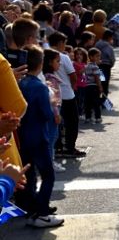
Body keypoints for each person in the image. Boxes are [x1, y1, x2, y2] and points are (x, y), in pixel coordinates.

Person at [14, 45, 63, 228]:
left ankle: (32, 208)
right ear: (41, 63)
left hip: (23, 136)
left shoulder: (21, 83)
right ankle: (41, 213)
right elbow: (46, 114)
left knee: (30, 176)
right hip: (38, 136)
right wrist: (53, 108)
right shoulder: (40, 87)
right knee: (48, 176)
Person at [48, 32, 84, 158]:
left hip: (51, 93)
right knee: (72, 121)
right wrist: (73, 87)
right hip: (67, 93)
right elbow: (73, 75)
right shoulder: (63, 57)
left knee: (55, 121)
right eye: (64, 43)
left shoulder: (44, 54)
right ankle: (70, 147)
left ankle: (57, 147)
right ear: (60, 43)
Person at [43, 48, 65, 173]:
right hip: (53, 110)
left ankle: (49, 161)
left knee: (52, 137)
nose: (59, 63)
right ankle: (49, 163)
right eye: (57, 61)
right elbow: (53, 98)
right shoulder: (50, 78)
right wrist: (56, 114)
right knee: (52, 137)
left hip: (53, 109)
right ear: (50, 62)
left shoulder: (49, 76)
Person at [84, 48, 104, 124]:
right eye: (97, 56)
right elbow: (97, 78)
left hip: (87, 86)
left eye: (99, 56)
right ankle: (98, 117)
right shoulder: (95, 67)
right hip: (94, 86)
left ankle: (88, 117)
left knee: (87, 103)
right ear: (91, 57)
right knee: (96, 102)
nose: (99, 58)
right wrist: (100, 87)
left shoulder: (86, 66)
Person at [95, 29, 116, 95]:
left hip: (98, 66)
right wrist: (112, 64)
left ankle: (99, 97)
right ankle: (104, 100)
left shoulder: (97, 45)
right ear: (109, 37)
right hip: (106, 67)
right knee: (105, 84)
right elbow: (112, 58)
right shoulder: (109, 47)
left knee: (100, 81)